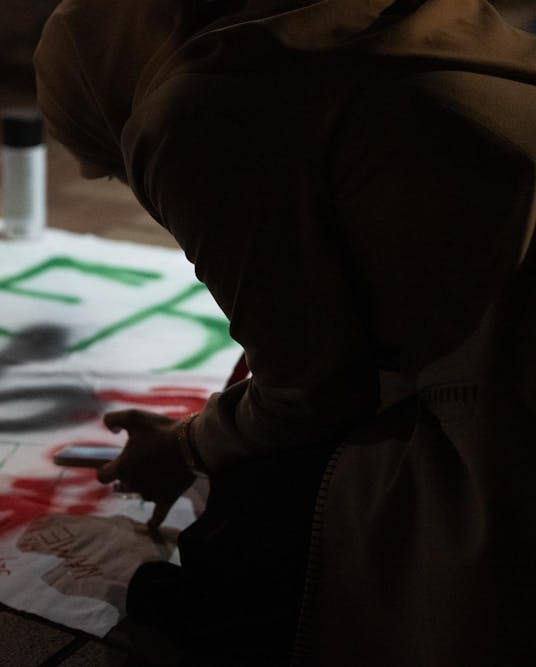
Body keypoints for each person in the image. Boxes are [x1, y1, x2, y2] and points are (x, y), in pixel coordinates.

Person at [34, 0, 536, 664]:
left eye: (112, 164)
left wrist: (187, 446)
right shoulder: (326, 18)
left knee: (243, 542)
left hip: (510, 406)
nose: (130, 178)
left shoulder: (192, 109)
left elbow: (311, 393)